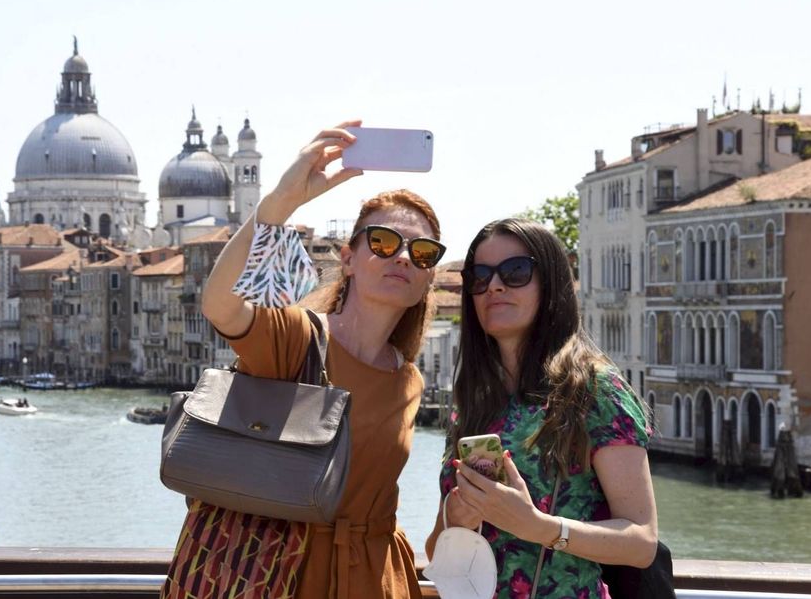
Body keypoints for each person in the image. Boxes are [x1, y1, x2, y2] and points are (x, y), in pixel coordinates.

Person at [162, 122, 445, 599]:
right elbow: (221, 305)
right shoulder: (297, 335)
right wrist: (281, 202)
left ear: (428, 276)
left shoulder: (409, 379)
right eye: (382, 243)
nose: (402, 258)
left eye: (421, 251)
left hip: (374, 579)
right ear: (349, 258)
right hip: (272, 575)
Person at [425, 218, 658, 598]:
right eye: (479, 277)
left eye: (515, 272)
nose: (494, 286)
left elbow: (641, 541)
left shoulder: (595, 390)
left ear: (549, 283)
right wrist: (456, 514)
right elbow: (439, 552)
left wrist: (539, 527)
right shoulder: (474, 400)